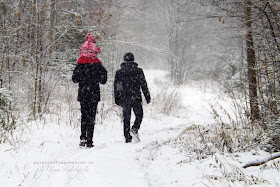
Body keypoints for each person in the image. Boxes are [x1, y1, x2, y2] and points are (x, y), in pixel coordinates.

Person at [72, 34, 107, 148]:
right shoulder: (97, 65)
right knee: (91, 117)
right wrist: (96, 77)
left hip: (83, 93)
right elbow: (103, 80)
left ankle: (82, 137)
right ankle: (89, 140)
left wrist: (82, 76)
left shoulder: (80, 64)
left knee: (84, 115)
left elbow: (74, 79)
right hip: (94, 94)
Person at [114, 53, 151, 143]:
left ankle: (127, 137)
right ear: (133, 59)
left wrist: (117, 98)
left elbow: (117, 87)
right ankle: (134, 128)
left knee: (126, 117)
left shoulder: (119, 72)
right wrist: (147, 96)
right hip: (136, 97)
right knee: (139, 115)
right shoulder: (138, 71)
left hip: (124, 97)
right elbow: (143, 84)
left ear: (124, 60)